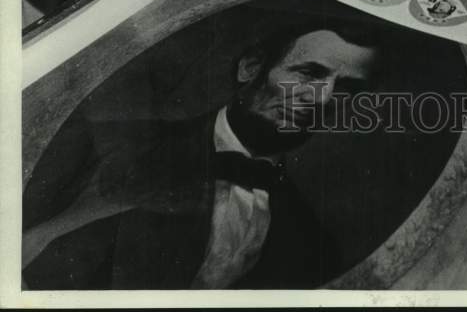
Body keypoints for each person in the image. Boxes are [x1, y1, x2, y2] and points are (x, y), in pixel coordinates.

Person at [22, 18, 381, 289]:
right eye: (308, 73)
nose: (322, 98)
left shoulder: (311, 244)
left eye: (346, 89)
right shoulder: (100, 140)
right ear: (251, 68)